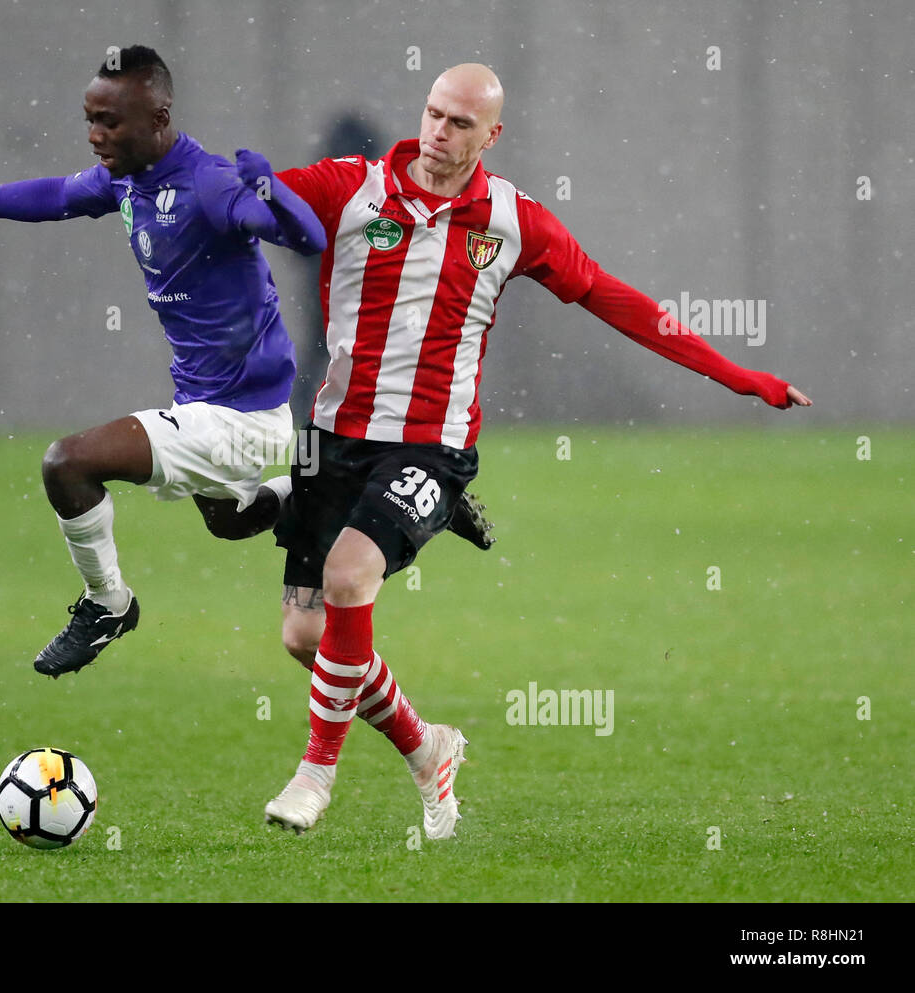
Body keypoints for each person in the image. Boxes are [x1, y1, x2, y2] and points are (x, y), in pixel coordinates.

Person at [263, 63, 812, 839]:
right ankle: (428, 748)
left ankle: (315, 776)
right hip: (334, 440)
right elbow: (247, 205)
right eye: (432, 113)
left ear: (492, 135)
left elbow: (614, 298)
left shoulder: (511, 220)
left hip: (432, 447)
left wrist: (737, 376)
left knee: (351, 577)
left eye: (459, 123)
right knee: (307, 637)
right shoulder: (351, 186)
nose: (438, 133)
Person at [0, 46, 493, 680]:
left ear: (159, 117)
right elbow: (52, 196)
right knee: (231, 521)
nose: (96, 135)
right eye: (90, 118)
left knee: (68, 464)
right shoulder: (125, 178)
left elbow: (305, 236)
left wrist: (268, 195)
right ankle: (400, 499)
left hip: (241, 417)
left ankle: (107, 604)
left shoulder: (208, 182)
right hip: (210, 406)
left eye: (111, 121)